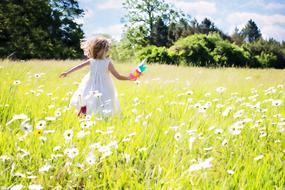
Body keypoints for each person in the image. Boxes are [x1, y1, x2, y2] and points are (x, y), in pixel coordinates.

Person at [59, 36, 132, 117]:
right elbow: (79, 67)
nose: (107, 51)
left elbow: (117, 76)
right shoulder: (91, 61)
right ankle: (83, 115)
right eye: (105, 48)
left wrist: (129, 78)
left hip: (105, 86)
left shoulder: (108, 62)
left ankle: (102, 117)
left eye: (107, 49)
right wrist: (67, 72)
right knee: (86, 98)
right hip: (90, 84)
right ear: (97, 50)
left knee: (104, 101)